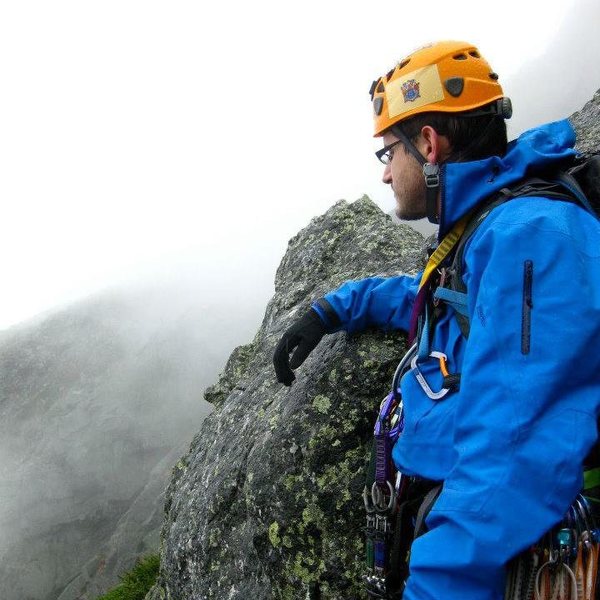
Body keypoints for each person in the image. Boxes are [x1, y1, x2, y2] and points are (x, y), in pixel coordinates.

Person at [273, 40, 600, 599]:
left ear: (427, 144)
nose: (384, 175)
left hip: (498, 563)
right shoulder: (489, 227)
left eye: (387, 154)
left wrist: (437, 586)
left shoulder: (529, 236)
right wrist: (339, 306)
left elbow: (513, 457)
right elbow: (444, 302)